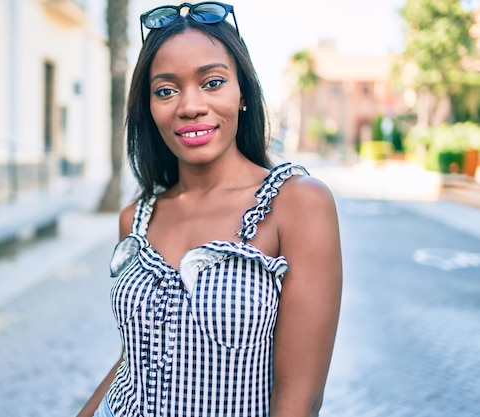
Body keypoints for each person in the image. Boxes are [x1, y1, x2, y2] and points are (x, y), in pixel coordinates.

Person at [77, 2, 342, 416]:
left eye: (213, 82)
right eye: (165, 90)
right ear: (148, 108)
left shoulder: (298, 203)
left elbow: (300, 397)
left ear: (243, 95)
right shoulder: (136, 217)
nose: (190, 105)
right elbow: (137, 356)